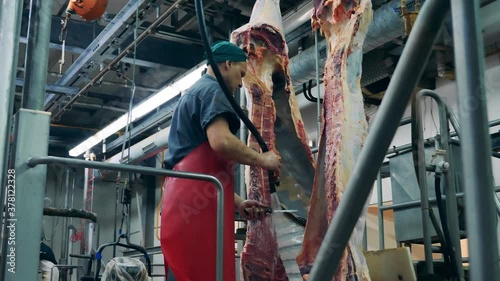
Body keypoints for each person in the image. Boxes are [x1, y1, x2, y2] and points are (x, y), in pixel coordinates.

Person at [160, 40, 281, 281]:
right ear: (227, 64)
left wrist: (236, 202)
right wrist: (262, 160)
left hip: (188, 201)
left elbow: (206, 170)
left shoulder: (197, 92)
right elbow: (221, 142)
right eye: (240, 74)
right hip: (192, 209)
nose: (239, 83)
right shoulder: (212, 90)